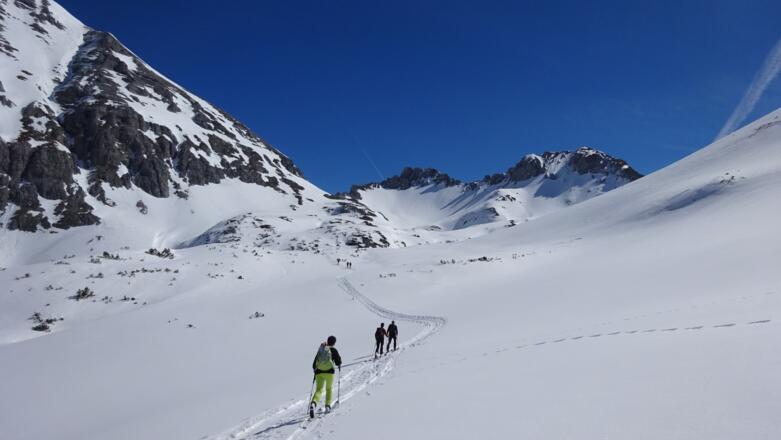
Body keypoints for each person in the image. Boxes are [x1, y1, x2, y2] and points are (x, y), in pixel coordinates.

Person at [310, 335, 342, 417]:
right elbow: (338, 361)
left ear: (327, 341)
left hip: (319, 372)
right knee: (328, 389)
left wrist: (315, 369)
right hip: (329, 373)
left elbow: (314, 363)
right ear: (334, 343)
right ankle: (327, 406)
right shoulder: (333, 350)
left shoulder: (322, 349)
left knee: (319, 390)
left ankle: (313, 403)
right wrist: (339, 364)